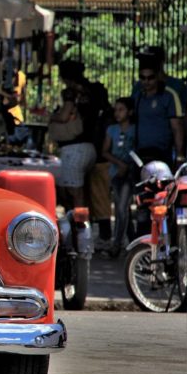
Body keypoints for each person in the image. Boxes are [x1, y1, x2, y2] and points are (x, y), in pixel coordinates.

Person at [50, 60, 105, 211]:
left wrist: (49, 116)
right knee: (82, 190)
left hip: (74, 149)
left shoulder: (71, 93)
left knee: (75, 193)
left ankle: (80, 227)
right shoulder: (92, 91)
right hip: (91, 147)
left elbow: (64, 116)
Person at [132, 56, 184, 167]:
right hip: (140, 154)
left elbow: (177, 127)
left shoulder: (169, 95)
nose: (146, 81)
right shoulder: (137, 97)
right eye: (142, 77)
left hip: (162, 154)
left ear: (158, 77)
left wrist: (180, 155)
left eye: (150, 78)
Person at [102, 97, 137, 257]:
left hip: (130, 173)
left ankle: (116, 245)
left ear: (129, 112)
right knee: (122, 209)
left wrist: (127, 165)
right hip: (116, 173)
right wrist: (119, 164)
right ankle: (133, 241)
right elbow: (105, 151)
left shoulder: (135, 129)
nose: (118, 113)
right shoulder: (112, 129)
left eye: (121, 109)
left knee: (122, 208)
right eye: (116, 110)